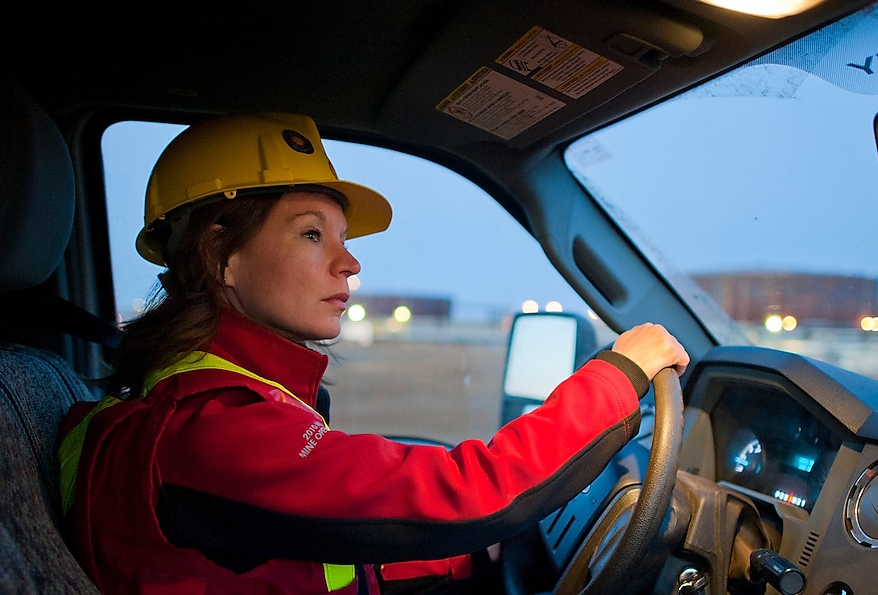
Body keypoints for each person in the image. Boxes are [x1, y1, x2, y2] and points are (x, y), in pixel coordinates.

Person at [58, 112, 689, 595]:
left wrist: (461, 554)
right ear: (222, 254)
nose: (350, 261)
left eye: (341, 235)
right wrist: (620, 373)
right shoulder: (213, 428)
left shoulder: (207, 398)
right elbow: (470, 494)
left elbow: (304, 560)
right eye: (312, 233)